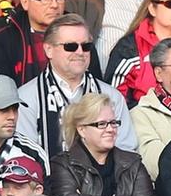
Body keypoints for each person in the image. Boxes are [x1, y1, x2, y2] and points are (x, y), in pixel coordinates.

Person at [16, 14, 136, 157]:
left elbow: (126, 152)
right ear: (48, 50)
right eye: (70, 46)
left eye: (86, 46)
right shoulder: (26, 98)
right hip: (48, 178)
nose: (80, 52)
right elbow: (25, 157)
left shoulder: (111, 96)